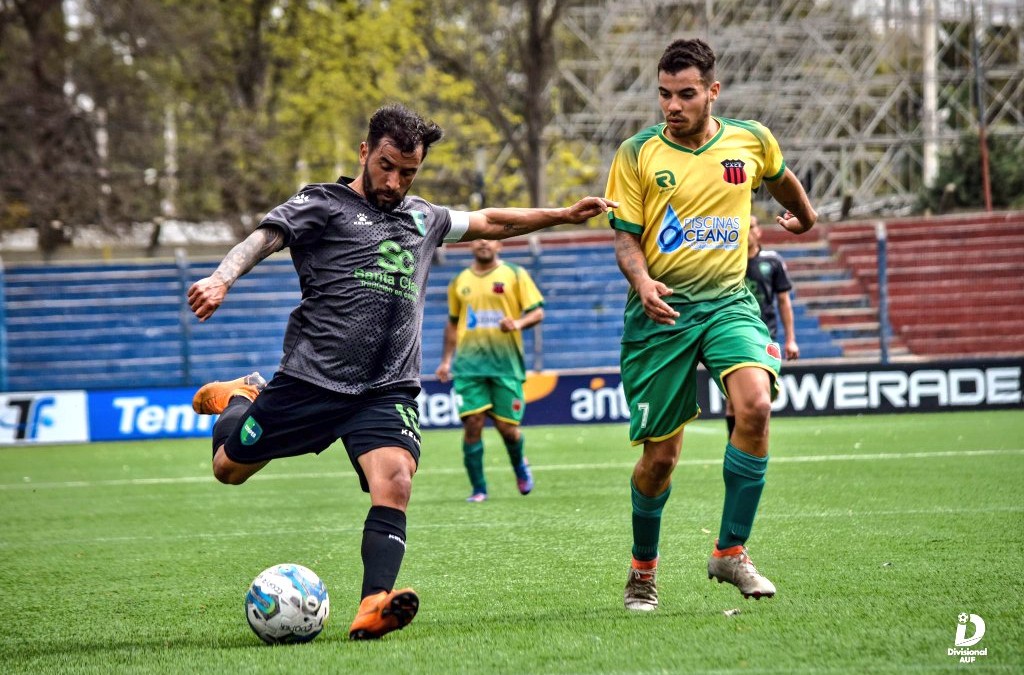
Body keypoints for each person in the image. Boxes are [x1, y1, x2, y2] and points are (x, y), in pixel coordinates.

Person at [186, 103, 616, 639]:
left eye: (408, 172)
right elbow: (265, 237)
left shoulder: (423, 217)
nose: (394, 181)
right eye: (386, 166)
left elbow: (492, 221)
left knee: (395, 481)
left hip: (385, 388)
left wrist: (561, 215)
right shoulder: (325, 203)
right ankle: (241, 396)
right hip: (312, 379)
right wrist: (221, 278)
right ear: (365, 152)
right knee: (229, 468)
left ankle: (373, 604)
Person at [604, 39, 817, 611]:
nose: (673, 105)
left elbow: (780, 175)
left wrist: (807, 215)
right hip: (662, 314)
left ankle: (730, 551)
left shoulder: (749, 140)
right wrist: (642, 281)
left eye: (686, 94)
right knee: (661, 460)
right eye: (665, 94)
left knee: (755, 407)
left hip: (729, 302)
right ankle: (642, 570)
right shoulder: (637, 153)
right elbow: (625, 234)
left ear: (712, 92)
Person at [435, 239, 544, 502]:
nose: (483, 242)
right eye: (478, 238)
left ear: (499, 246)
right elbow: (452, 324)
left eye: (489, 239)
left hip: (505, 364)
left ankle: (520, 464)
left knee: (508, 428)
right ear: (471, 245)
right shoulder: (459, 281)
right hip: (469, 366)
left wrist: (517, 324)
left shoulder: (515, 274)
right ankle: (479, 489)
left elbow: (537, 312)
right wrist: (446, 360)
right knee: (473, 424)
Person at [724, 214, 799, 437]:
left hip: (766, 337)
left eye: (751, 226)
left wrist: (791, 339)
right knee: (733, 401)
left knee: (761, 400)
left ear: (758, 232)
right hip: (734, 335)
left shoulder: (772, 261)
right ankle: (735, 449)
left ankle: (755, 447)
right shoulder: (726, 261)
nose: (746, 230)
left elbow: (784, 301)